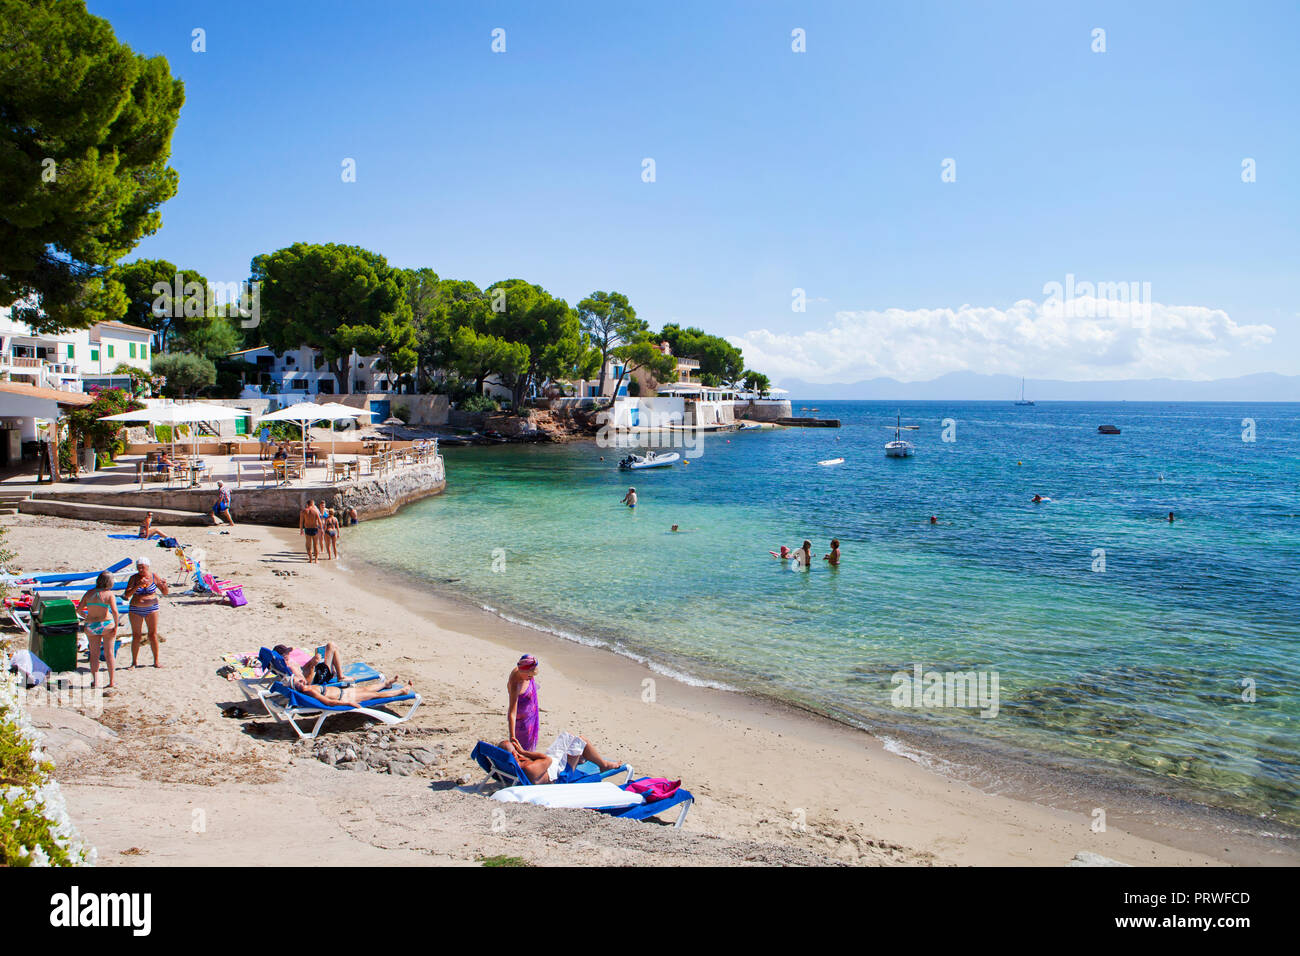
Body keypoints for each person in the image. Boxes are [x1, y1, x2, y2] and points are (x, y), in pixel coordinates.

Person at [500, 732, 622, 785]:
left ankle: (579, 758)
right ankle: (604, 765)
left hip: (551, 767)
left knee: (568, 737)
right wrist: (524, 752)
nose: (518, 752)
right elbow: (547, 760)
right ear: (514, 754)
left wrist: (521, 755)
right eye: (515, 751)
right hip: (561, 774)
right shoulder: (528, 767)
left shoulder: (508, 766)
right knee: (581, 740)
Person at [77, 572, 120, 690]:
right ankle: (111, 681)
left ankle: (95, 681)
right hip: (106, 624)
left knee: (94, 654)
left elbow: (79, 610)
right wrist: (116, 626)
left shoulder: (89, 593)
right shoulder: (109, 594)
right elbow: (115, 612)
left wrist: (86, 617)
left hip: (91, 625)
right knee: (109, 653)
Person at [123, 556, 169, 668]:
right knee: (136, 635)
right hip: (135, 609)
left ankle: (156, 661)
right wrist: (138, 585)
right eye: (138, 568)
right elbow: (127, 595)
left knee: (152, 634)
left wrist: (164, 585)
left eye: (142, 568)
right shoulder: (133, 578)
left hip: (151, 608)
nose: (140, 570)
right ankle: (134, 662)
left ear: (147, 567)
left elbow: (165, 593)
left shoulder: (154, 576)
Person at [288, 674, 413, 707]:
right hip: (344, 698)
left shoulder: (307, 687)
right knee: (374, 695)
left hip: (344, 692)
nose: (302, 680)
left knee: (365, 688)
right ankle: (402, 691)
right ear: (296, 686)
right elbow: (328, 702)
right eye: (299, 681)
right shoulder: (308, 691)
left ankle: (386, 683)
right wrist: (348, 703)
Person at [506, 655, 540, 751]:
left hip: (531, 713)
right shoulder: (515, 684)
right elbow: (512, 712)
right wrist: (512, 737)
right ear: (522, 671)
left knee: (532, 740)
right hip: (522, 723)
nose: (531, 678)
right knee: (523, 748)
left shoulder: (522, 667)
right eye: (529, 676)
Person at [274, 643, 346, 684]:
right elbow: (306, 683)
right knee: (331, 646)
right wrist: (312, 666)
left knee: (329, 647)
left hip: (316, 672)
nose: (289, 653)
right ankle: (340, 677)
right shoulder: (291, 667)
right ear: (283, 655)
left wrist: (311, 661)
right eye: (287, 652)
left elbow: (303, 670)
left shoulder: (285, 664)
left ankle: (334, 672)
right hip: (318, 678)